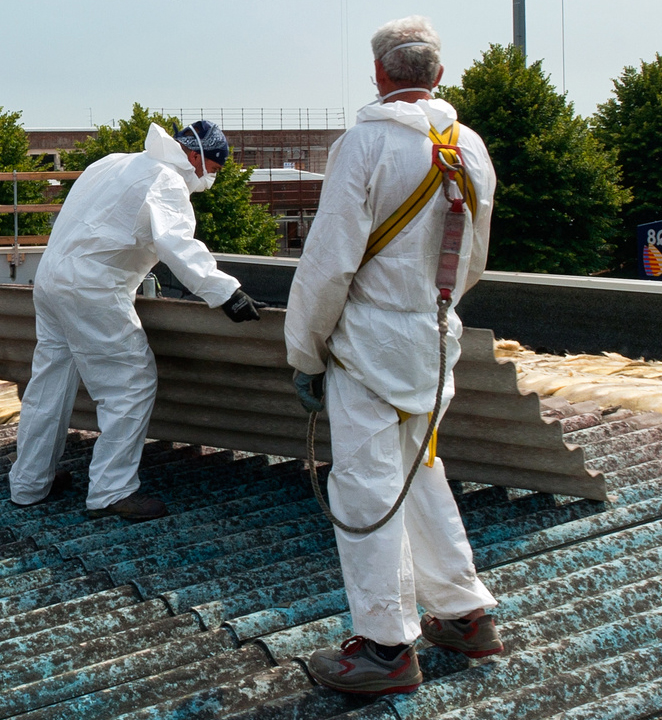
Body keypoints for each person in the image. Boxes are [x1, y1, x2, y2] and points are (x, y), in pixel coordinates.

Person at [285, 16, 502, 695]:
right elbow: (473, 261)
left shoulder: (364, 146)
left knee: (367, 488)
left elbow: (327, 267)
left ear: (380, 75)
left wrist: (306, 351)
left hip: (369, 351)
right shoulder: (469, 147)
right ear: (438, 75)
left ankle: (384, 647)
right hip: (433, 344)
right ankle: (464, 614)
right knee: (418, 476)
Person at [9, 119, 263, 521]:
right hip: (92, 288)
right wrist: (225, 293)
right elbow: (176, 242)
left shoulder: (113, 162)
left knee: (50, 382)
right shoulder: (167, 180)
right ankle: (111, 491)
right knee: (130, 382)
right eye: (212, 171)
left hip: (51, 279)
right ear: (195, 157)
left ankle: (29, 482)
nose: (209, 180)